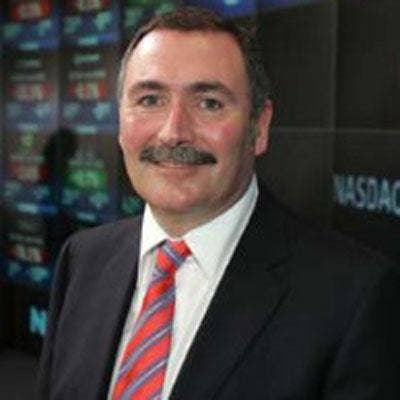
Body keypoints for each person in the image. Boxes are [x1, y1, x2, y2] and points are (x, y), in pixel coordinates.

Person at [37, 7, 400, 400]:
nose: (173, 132)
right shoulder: (82, 259)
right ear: (121, 120)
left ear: (259, 127)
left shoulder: (353, 297)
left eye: (209, 103)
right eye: (150, 99)